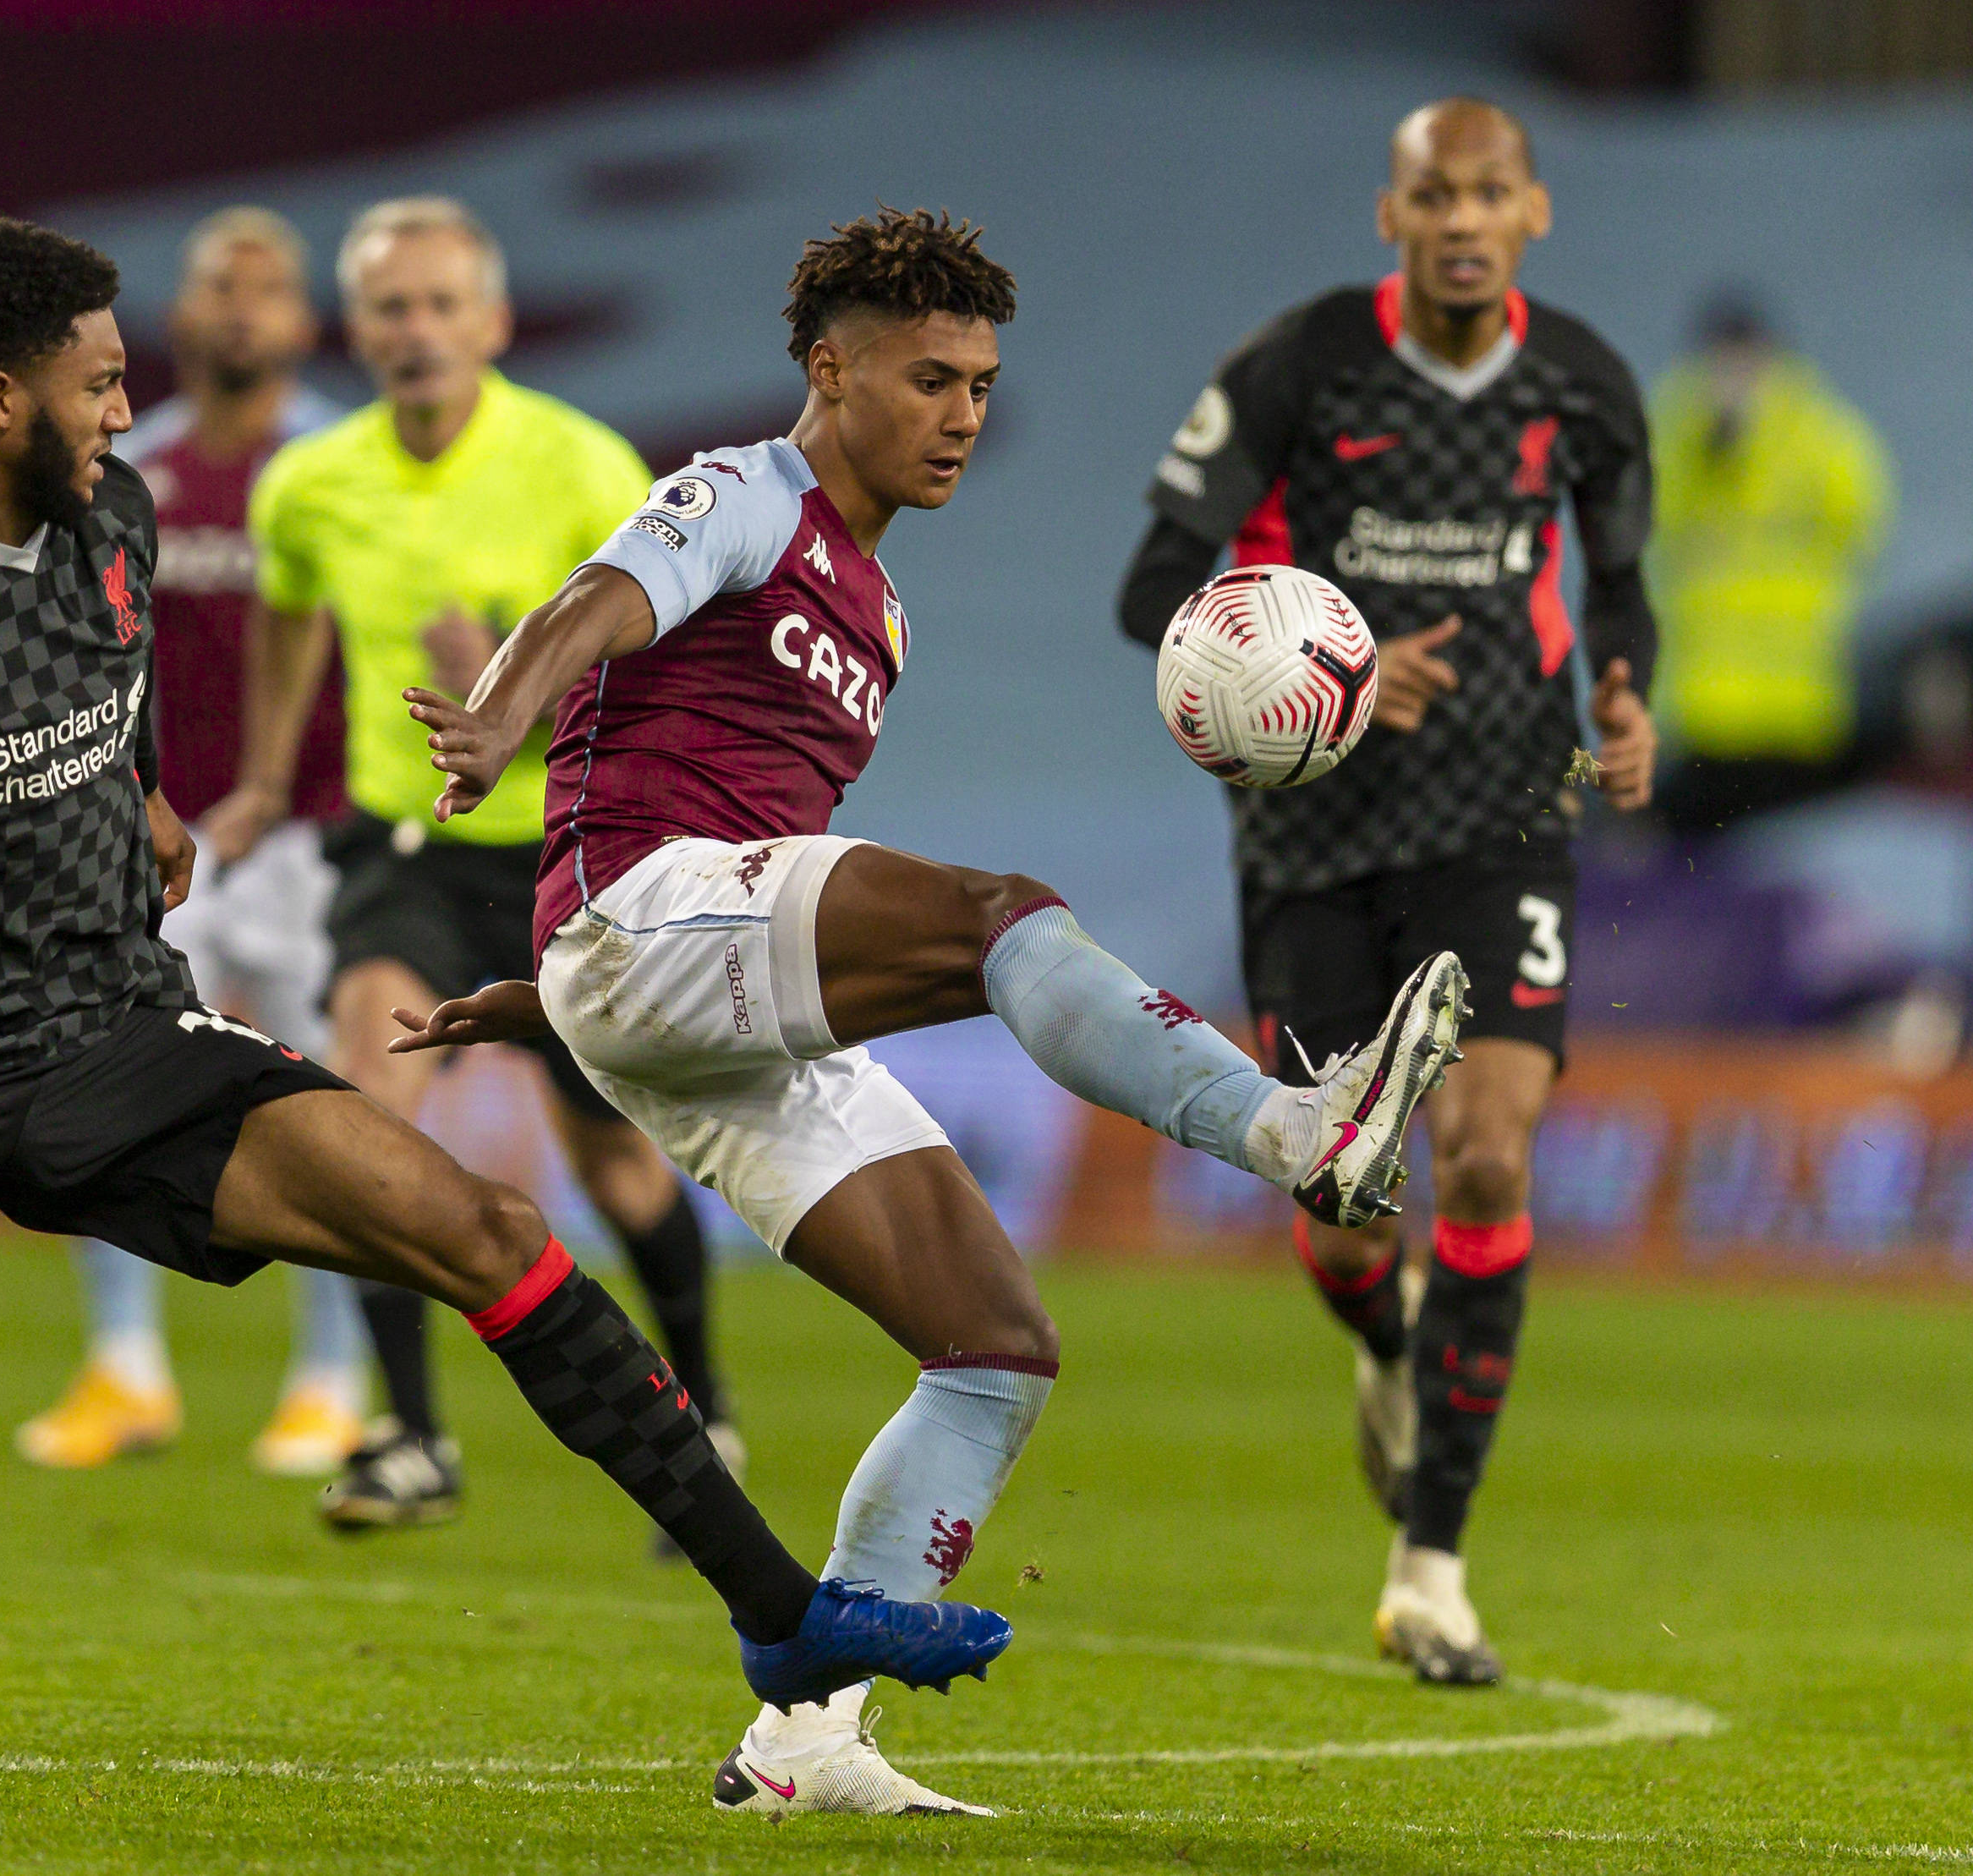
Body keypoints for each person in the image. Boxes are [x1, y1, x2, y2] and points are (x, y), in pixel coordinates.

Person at [0, 216, 1010, 1800]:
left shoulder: (113, 520)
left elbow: (108, 680)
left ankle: (778, 1619)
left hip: (123, 1029)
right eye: (99, 382)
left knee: (485, 1228)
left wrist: (141, 799)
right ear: (0, 398)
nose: (125, 410)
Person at [386, 206, 1464, 1817]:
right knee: (991, 916)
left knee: (993, 1345)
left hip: (678, 988)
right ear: (830, 370)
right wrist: (495, 720)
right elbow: (593, 603)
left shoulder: (878, 617)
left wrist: (556, 1004)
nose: (961, 415)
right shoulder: (740, 493)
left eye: (978, 386)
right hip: (643, 914)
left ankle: (804, 1738)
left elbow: (754, 871)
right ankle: (1290, 1130)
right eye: (928, 379)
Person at [1115, 99, 1660, 1685]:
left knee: (1484, 1152)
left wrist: (1622, 693)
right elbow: (1151, 588)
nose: (1461, 220)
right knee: (1344, 1209)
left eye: (1488, 194)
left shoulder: (1581, 383)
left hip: (1502, 819)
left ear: (1532, 211)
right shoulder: (1297, 368)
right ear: (1391, 215)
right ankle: (1385, 1337)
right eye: (1434, 196)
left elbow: (1619, 584)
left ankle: (1429, 1565)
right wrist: (1330, 655)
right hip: (1310, 842)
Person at [244, 196, 741, 1532]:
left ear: (492, 321)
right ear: (357, 329)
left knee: (616, 1163)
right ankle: (410, 1433)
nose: (414, 330)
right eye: (390, 308)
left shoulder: (582, 467)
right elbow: (286, 619)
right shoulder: (308, 483)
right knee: (358, 1119)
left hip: (558, 851)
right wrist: (261, 779)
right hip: (397, 850)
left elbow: (663, 660)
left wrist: (518, 680)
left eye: (438, 305)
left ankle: (705, 1410)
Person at [13, 205, 372, 1477]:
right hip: (154, 836)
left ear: (304, 322)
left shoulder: (341, 464)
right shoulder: (132, 467)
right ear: (178, 315)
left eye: (266, 285)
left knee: (332, 1110)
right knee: (89, 1084)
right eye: (220, 282)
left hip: (318, 840)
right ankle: (125, 1367)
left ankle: (333, 1379)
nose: (240, 304)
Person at [1647, 289, 1891, 836]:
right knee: (1702, 854)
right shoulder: (1675, 435)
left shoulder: (1822, 439)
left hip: (1796, 699)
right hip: (1704, 703)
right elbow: (1637, 520)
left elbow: (1863, 526)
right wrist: (1711, 447)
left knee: (1793, 846)